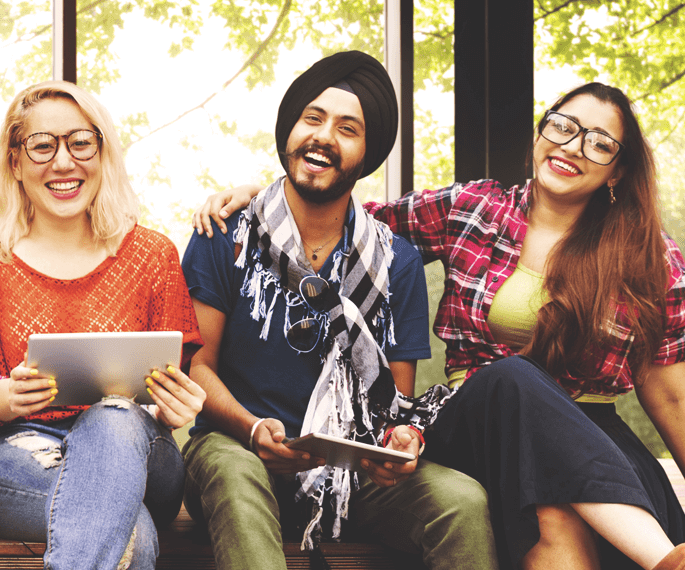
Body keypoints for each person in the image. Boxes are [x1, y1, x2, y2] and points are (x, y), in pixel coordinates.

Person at [196, 82, 685, 570]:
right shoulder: (473, 209)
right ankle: (666, 561)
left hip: (590, 438)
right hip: (476, 416)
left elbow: (672, 397)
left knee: (552, 510)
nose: (572, 147)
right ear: (542, 131)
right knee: (512, 376)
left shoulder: (652, 259)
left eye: (599, 143)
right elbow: (346, 216)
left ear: (618, 169)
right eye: (562, 126)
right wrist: (263, 197)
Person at [178, 51, 496, 570]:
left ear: (366, 153)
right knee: (235, 474)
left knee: (461, 502)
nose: (324, 136)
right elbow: (197, 368)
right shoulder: (227, 237)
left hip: (351, 471)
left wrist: (402, 441)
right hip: (235, 449)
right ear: (290, 131)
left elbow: (393, 402)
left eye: (348, 128)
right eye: (312, 118)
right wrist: (255, 429)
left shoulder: (396, 263)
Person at [0, 79, 207, 569]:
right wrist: (1, 396)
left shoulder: (153, 255)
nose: (63, 163)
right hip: (8, 453)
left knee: (113, 415)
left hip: (141, 453)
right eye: (42, 146)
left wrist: (175, 408)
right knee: (134, 531)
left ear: (102, 153)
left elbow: (170, 391)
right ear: (15, 162)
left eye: (80, 142)